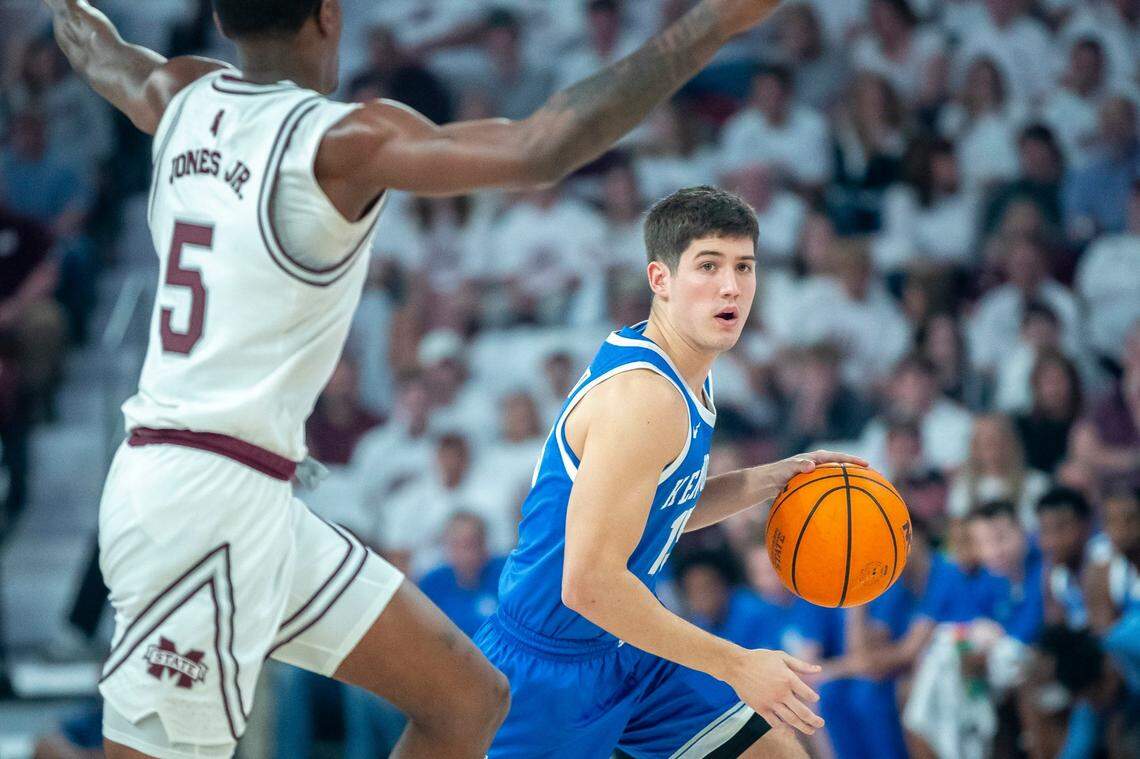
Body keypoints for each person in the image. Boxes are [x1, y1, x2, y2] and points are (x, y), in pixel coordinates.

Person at [42, 0, 791, 756]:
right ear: (329, 16)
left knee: (469, 699)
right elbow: (539, 147)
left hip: (262, 497)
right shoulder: (341, 139)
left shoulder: (178, 93)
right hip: (195, 499)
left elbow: (95, 45)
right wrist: (712, 24)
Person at [476, 186, 868, 758]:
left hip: (627, 647)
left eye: (744, 267)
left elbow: (660, 509)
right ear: (660, 279)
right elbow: (587, 585)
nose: (731, 286)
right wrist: (737, 664)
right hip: (547, 670)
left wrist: (778, 476)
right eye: (708, 266)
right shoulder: (644, 399)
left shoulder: (687, 368)